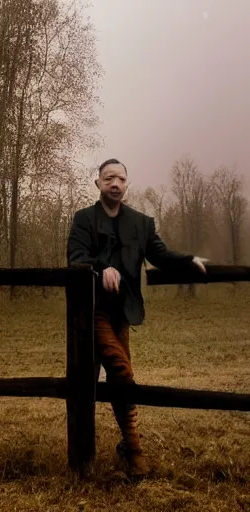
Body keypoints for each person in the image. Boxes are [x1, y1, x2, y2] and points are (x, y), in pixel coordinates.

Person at [67, 158, 208, 478]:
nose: (114, 184)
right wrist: (103, 269)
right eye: (108, 179)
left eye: (120, 179)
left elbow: (160, 255)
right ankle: (135, 449)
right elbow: (77, 257)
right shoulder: (84, 220)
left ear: (127, 184)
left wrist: (189, 260)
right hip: (92, 311)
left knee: (121, 378)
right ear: (98, 184)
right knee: (121, 368)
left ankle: (125, 446)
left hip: (124, 312)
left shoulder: (142, 223)